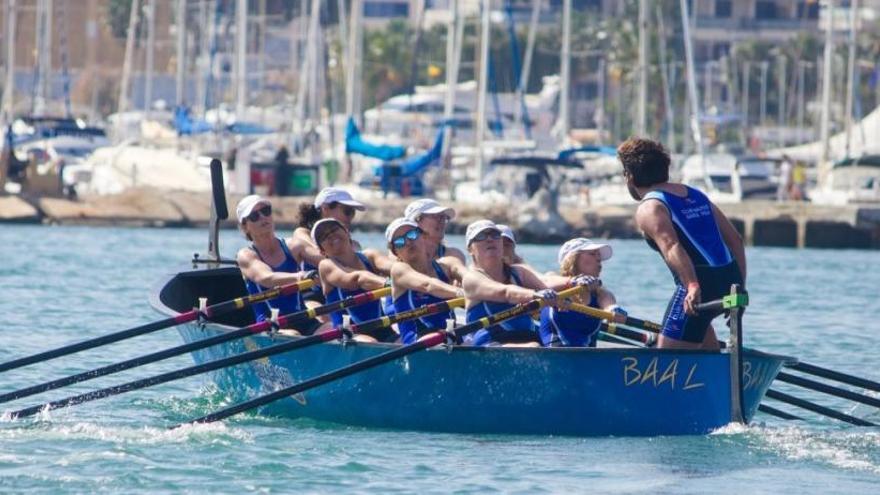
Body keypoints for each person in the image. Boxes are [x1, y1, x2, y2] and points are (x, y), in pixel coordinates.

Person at [618, 137, 746, 350]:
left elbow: (671, 246)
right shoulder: (696, 195)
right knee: (698, 328)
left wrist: (692, 285)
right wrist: (740, 287)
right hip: (731, 279)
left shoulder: (650, 207)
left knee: (667, 357)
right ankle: (715, 373)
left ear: (629, 176)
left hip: (700, 285)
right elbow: (735, 240)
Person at [461, 220, 561, 347]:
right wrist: (536, 294)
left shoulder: (518, 272)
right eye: (481, 236)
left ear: (501, 244)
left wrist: (572, 282)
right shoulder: (471, 278)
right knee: (534, 347)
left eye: (495, 235)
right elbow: (505, 292)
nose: (490, 239)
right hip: (488, 341)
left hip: (526, 336)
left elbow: (546, 284)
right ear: (470, 249)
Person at [234, 195, 325, 336]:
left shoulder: (293, 246)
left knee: (332, 328)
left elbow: (327, 263)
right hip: (270, 323)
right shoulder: (246, 255)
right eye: (254, 216)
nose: (262, 217)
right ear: (245, 226)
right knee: (294, 335)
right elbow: (267, 278)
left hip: (302, 318)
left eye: (265, 211)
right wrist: (301, 276)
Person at [313, 218, 396, 342]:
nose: (331, 235)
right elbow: (356, 280)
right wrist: (390, 284)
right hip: (347, 333)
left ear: (347, 232)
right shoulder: (326, 265)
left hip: (383, 330)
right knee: (371, 343)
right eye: (324, 236)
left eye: (334, 229)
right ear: (322, 250)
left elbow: (395, 269)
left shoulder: (370, 256)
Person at [386, 217, 464, 344]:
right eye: (400, 242)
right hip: (416, 342)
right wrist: (461, 293)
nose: (407, 242)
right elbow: (428, 285)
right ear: (396, 252)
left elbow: (470, 278)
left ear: (423, 237)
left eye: (411, 235)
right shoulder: (398, 270)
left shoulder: (447, 265)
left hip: (450, 337)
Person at [291, 187, 368, 309]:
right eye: (347, 211)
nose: (350, 218)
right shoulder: (302, 233)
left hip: (345, 294)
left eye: (352, 213)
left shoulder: (354, 244)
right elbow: (323, 256)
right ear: (325, 209)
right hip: (313, 296)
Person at [539, 238, 622, 347]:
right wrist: (573, 282)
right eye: (592, 254)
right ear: (572, 259)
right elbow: (545, 281)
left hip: (588, 358)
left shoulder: (602, 294)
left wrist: (614, 311)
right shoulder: (553, 282)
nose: (599, 259)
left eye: (599, 256)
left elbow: (610, 305)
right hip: (552, 357)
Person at [403, 198, 467, 265]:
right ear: (417, 221)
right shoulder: (402, 257)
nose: (442, 221)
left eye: (443, 217)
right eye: (435, 216)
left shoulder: (454, 255)